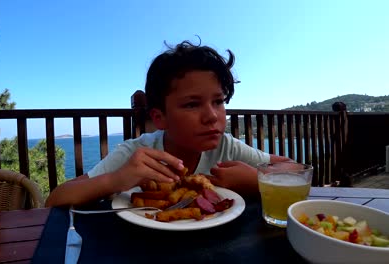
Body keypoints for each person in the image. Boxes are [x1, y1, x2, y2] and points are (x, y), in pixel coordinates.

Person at [45, 40, 290, 207]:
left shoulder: (226, 147)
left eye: (218, 101)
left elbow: (294, 168)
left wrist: (257, 179)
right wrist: (117, 179)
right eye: (192, 104)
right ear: (159, 117)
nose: (212, 116)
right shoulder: (138, 155)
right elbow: (55, 199)